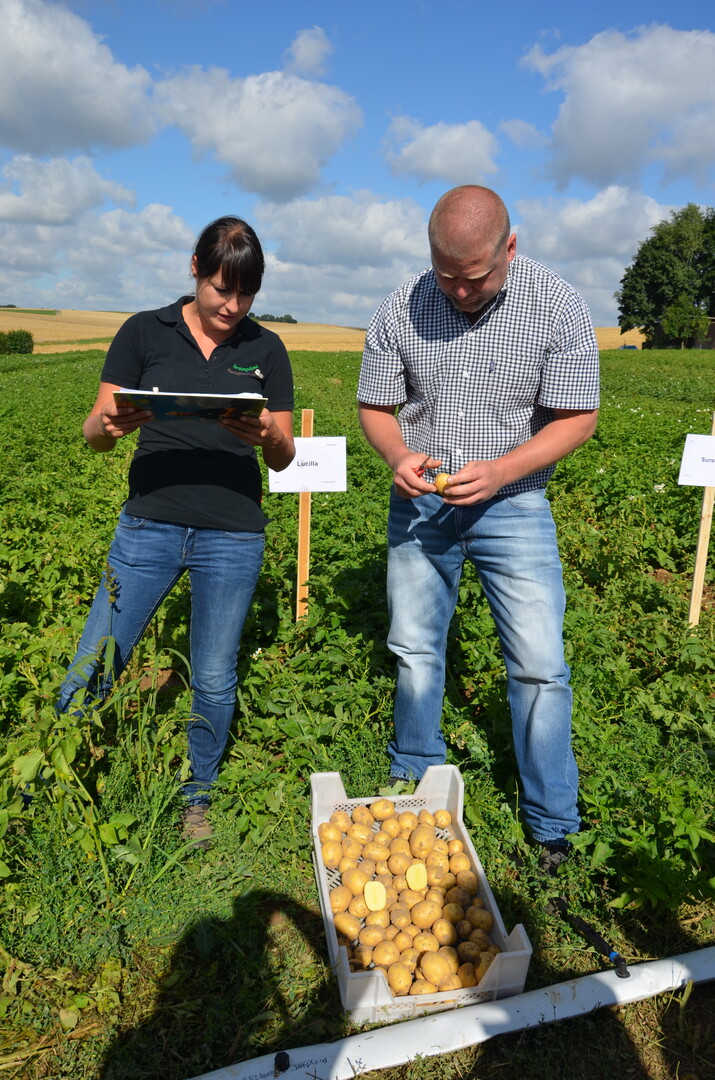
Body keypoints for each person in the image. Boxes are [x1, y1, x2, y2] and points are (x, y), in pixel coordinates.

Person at [357, 185, 599, 874]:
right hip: (423, 504)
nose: (459, 292)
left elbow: (576, 417)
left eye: (475, 278)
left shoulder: (557, 305)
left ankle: (552, 821)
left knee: (538, 665)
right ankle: (414, 769)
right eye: (445, 276)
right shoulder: (400, 306)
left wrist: (499, 473)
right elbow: (376, 405)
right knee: (411, 644)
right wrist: (399, 455)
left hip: (513, 507)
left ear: (509, 247)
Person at [56, 216, 295, 847]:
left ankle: (198, 799)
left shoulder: (266, 349)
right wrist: (109, 427)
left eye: (246, 293)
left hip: (232, 534)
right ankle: (53, 777)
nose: (233, 306)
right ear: (195, 268)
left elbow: (284, 457)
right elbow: (94, 432)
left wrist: (269, 434)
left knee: (214, 675)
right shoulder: (143, 331)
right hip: (149, 524)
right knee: (97, 658)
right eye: (222, 288)